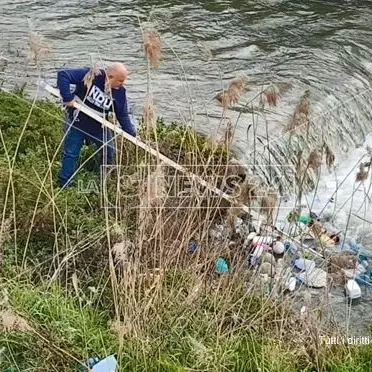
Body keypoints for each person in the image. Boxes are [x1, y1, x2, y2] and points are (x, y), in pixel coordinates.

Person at [56, 62, 136, 187]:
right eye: (120, 80)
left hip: (99, 127)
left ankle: (102, 181)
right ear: (110, 77)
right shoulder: (92, 75)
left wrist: (131, 134)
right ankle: (65, 183)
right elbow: (63, 75)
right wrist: (67, 98)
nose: (122, 83)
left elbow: (123, 115)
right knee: (71, 153)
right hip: (77, 122)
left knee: (109, 151)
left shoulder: (120, 93)